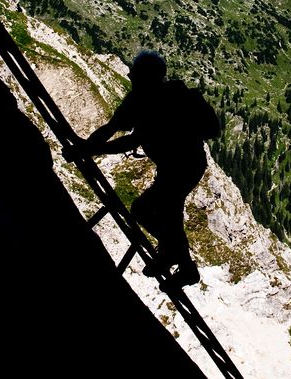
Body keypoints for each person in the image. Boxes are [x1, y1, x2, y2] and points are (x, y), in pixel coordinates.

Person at [66, 50, 220, 289]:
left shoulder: (143, 100)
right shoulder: (166, 96)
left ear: (144, 76)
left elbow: (122, 136)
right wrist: (86, 148)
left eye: (134, 74)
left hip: (181, 166)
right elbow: (114, 130)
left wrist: (87, 149)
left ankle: (181, 263)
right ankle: (176, 259)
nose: (130, 76)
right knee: (163, 212)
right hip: (186, 164)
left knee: (148, 209)